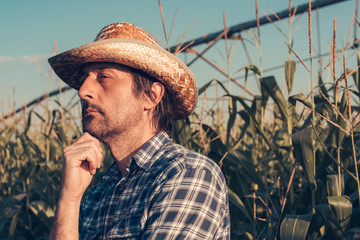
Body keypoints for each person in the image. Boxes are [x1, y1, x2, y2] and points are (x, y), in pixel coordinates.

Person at [48, 22, 230, 240]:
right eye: (85, 79)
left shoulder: (187, 174)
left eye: (103, 77)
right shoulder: (98, 194)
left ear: (151, 96)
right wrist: (69, 200)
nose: (83, 91)